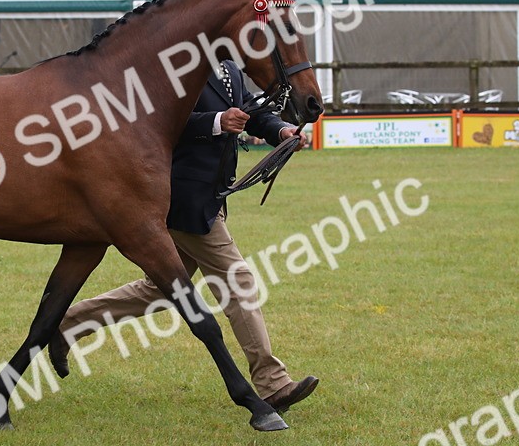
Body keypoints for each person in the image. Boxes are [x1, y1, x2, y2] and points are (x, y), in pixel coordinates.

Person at [51, 60, 319, 414]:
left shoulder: (229, 70)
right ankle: (272, 383)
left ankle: (65, 324)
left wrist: (281, 130)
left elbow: (252, 112)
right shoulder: (176, 70)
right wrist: (216, 122)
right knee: (237, 278)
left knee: (155, 290)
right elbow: (162, 123)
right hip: (181, 196)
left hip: (211, 195)